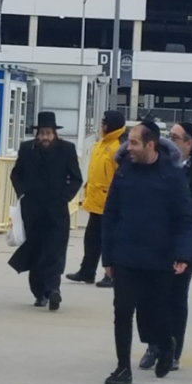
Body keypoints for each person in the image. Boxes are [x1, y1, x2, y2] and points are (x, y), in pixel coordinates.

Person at [101, 121, 192, 384]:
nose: (127, 148)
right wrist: (107, 257)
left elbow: (185, 219)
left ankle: (166, 345)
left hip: (159, 258)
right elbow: (110, 216)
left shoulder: (171, 176)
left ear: (150, 145)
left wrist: (182, 255)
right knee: (122, 312)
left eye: (133, 143)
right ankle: (123, 368)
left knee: (156, 316)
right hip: (125, 256)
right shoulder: (124, 173)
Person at [137, 122, 192, 372]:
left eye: (175, 137)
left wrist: (185, 205)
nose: (170, 141)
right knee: (150, 295)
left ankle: (173, 350)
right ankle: (154, 344)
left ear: (189, 143)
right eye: (168, 136)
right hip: (155, 241)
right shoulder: (159, 164)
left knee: (175, 297)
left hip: (186, 244)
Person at [9, 112, 83, 311]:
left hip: (57, 211)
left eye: (49, 133)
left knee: (55, 252)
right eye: (42, 133)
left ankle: (52, 290)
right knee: (36, 251)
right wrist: (22, 194)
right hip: (32, 211)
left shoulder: (67, 149)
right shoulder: (27, 149)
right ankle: (39, 292)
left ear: (55, 134)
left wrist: (65, 197)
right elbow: (16, 174)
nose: (45, 137)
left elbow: (76, 178)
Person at [66, 110, 125, 288]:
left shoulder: (119, 146)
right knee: (91, 239)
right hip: (96, 202)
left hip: (110, 203)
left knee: (110, 241)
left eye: (104, 123)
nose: (102, 126)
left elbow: (121, 175)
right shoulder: (101, 144)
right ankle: (87, 271)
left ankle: (112, 274)